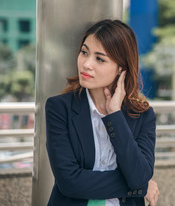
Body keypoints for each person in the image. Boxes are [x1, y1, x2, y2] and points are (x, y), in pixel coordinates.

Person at [45, 19, 159, 206]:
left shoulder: (143, 115)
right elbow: (69, 182)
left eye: (100, 59)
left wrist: (114, 116)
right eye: (84, 52)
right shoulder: (59, 108)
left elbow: (139, 176)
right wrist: (139, 187)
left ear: (121, 68)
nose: (86, 64)